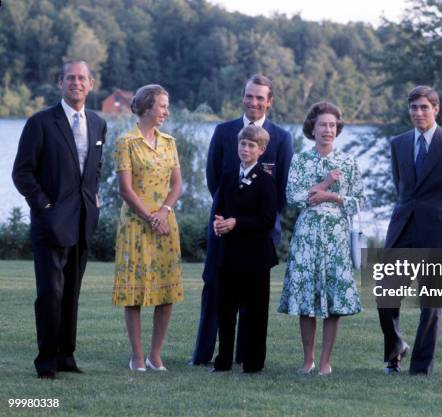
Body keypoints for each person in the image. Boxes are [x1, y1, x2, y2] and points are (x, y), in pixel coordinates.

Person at [12, 60, 107, 379]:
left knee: (71, 293)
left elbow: (94, 167)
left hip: (82, 221)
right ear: (60, 83)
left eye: (82, 78)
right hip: (50, 223)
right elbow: (21, 172)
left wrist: (94, 198)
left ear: (91, 83)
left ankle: (67, 355)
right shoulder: (40, 122)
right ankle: (47, 360)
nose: (76, 83)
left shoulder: (98, 122)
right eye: (71, 78)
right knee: (50, 293)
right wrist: (44, 205)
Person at [192, 74, 293, 366]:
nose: (254, 102)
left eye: (260, 97)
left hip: (258, 236)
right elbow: (214, 180)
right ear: (243, 97)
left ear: (269, 102)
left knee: (253, 301)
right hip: (222, 230)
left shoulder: (282, 138)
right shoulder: (223, 132)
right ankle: (204, 355)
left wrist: (250, 222)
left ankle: (246, 357)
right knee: (214, 290)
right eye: (250, 96)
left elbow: (281, 191)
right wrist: (228, 216)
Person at [380, 86, 442, 375]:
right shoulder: (398, 143)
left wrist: (441, 214)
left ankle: (421, 367)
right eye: (413, 108)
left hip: (439, 231)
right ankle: (395, 350)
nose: (418, 113)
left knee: (431, 304)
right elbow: (401, 186)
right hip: (402, 228)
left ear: (436, 109)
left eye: (423, 107)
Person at [278, 101, 362, 376]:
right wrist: (324, 184)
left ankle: (325, 362)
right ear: (312, 128)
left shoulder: (348, 162)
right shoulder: (301, 160)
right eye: (323, 125)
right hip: (307, 234)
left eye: (332, 125)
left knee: (333, 300)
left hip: (336, 234)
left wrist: (331, 196)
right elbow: (293, 197)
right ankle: (308, 360)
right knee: (306, 299)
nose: (328, 130)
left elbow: (359, 201)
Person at [112, 84, 183, 372]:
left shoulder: (169, 142)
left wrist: (164, 212)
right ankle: (137, 356)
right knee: (135, 292)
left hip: (165, 223)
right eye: (162, 105)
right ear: (146, 107)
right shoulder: (125, 142)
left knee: (166, 292)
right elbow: (125, 190)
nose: (166, 110)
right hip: (135, 226)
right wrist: (150, 217)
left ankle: (155, 355)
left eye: (167, 106)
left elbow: (177, 184)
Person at [211, 125, 278, 374]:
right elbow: (220, 207)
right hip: (228, 254)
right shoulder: (228, 175)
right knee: (225, 310)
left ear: (261, 150)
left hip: (256, 257)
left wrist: (237, 223)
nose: (246, 149)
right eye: (243, 144)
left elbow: (268, 219)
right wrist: (219, 223)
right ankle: (223, 360)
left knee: (255, 312)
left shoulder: (266, 181)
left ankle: (253, 362)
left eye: (251, 145)